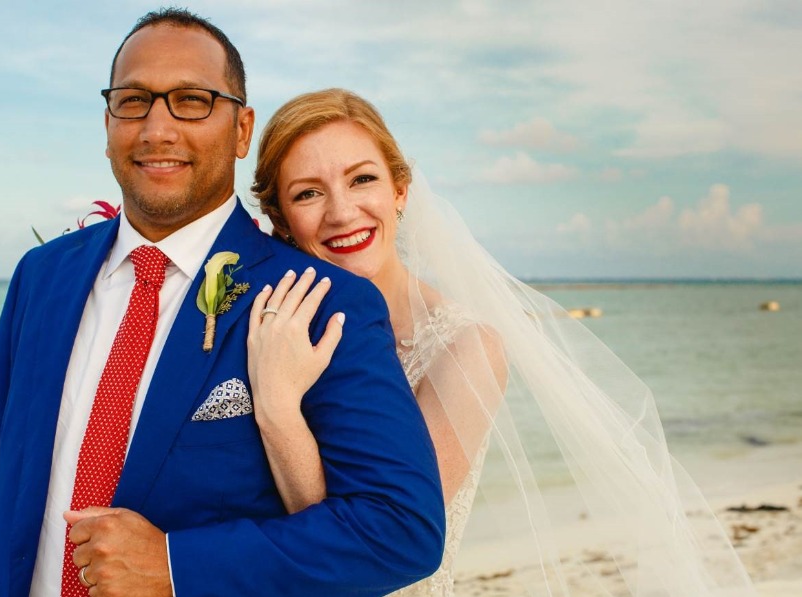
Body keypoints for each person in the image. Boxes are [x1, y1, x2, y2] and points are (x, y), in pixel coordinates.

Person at [0, 11, 444, 597]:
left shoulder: (325, 301)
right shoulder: (40, 276)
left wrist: (176, 566)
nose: (157, 128)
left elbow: (400, 529)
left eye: (191, 100)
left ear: (241, 129)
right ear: (108, 122)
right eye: (134, 101)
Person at [247, 89, 758, 596]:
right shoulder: (272, 331)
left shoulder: (464, 349)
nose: (341, 211)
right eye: (308, 193)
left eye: (363, 179)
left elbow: (366, 548)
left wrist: (277, 408)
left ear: (400, 192)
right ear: (280, 222)